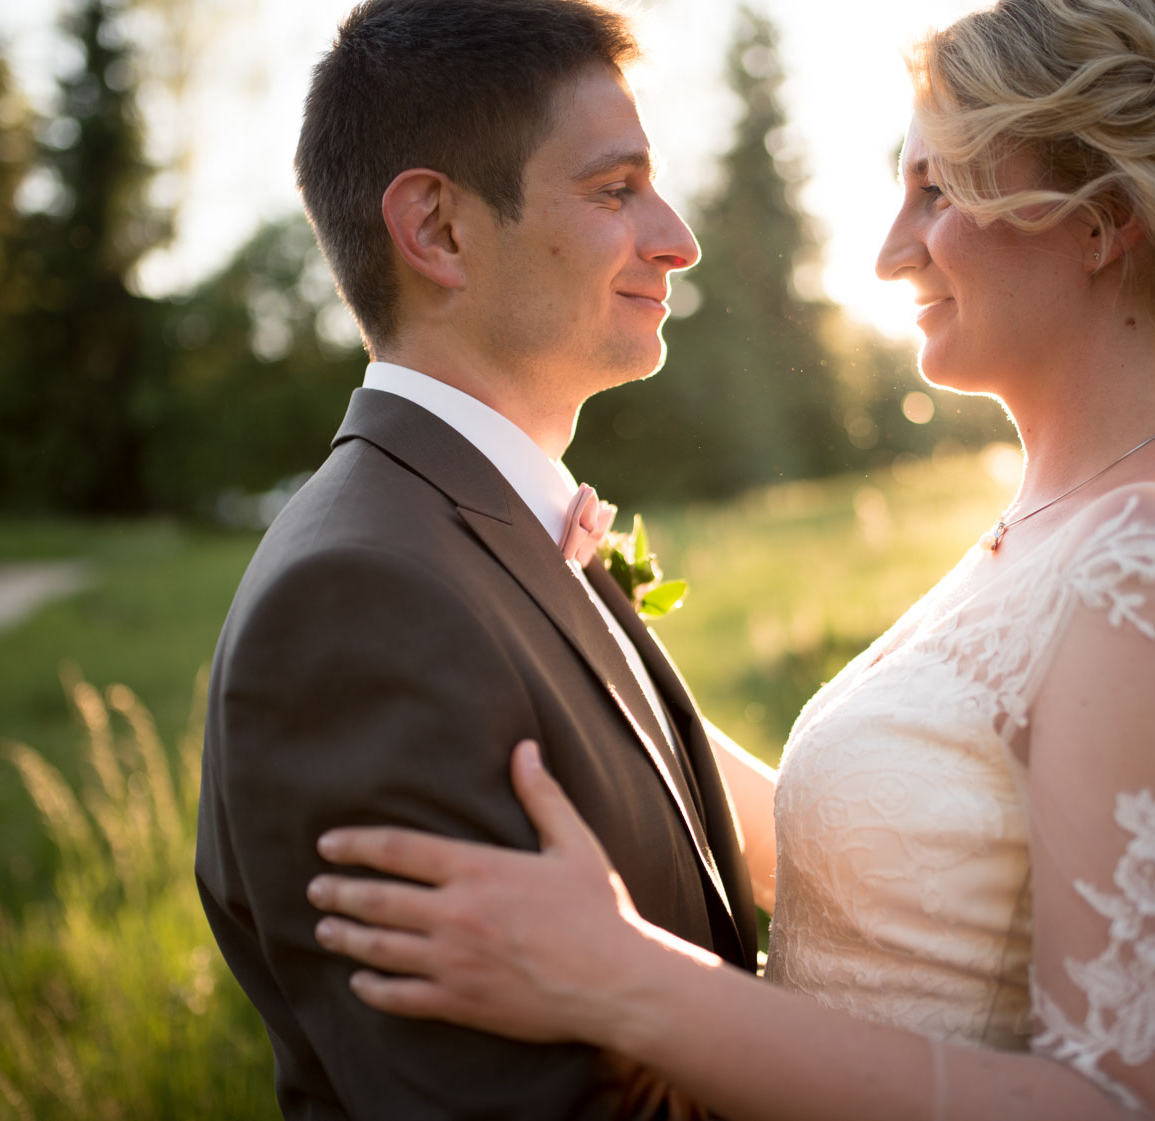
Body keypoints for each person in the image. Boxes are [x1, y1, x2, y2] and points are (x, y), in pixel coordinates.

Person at [303, 1, 1155, 1119]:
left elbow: (1134, 1104)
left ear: (1101, 220)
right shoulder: (1055, 524)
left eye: (939, 190)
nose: (890, 250)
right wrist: (583, 625)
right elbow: (887, 875)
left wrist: (621, 980)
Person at [193, 1, 760, 1117]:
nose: (678, 237)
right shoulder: (356, 604)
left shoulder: (488, 526)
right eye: (615, 189)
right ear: (440, 231)